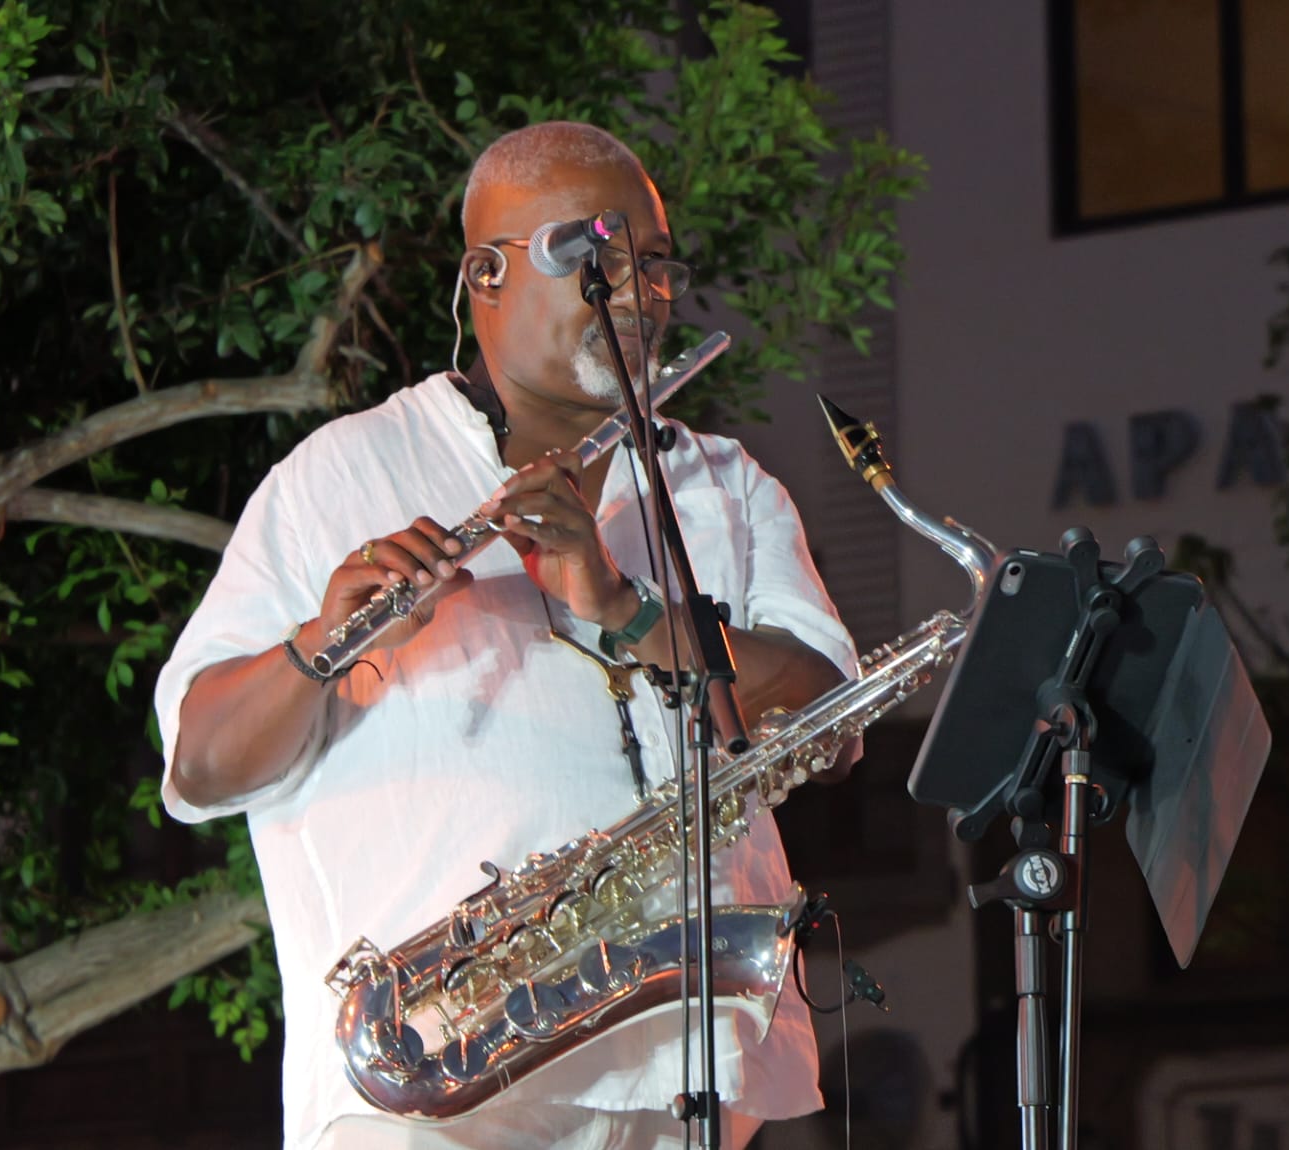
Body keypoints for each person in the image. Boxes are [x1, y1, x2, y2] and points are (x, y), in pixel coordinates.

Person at [153, 120, 859, 1150]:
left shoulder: (721, 484)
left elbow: (827, 723)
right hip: (441, 1089)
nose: (641, 290)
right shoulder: (339, 476)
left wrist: (620, 605)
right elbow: (200, 765)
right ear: (484, 275)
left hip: (688, 1074)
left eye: (655, 263)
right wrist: (319, 647)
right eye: (598, 257)